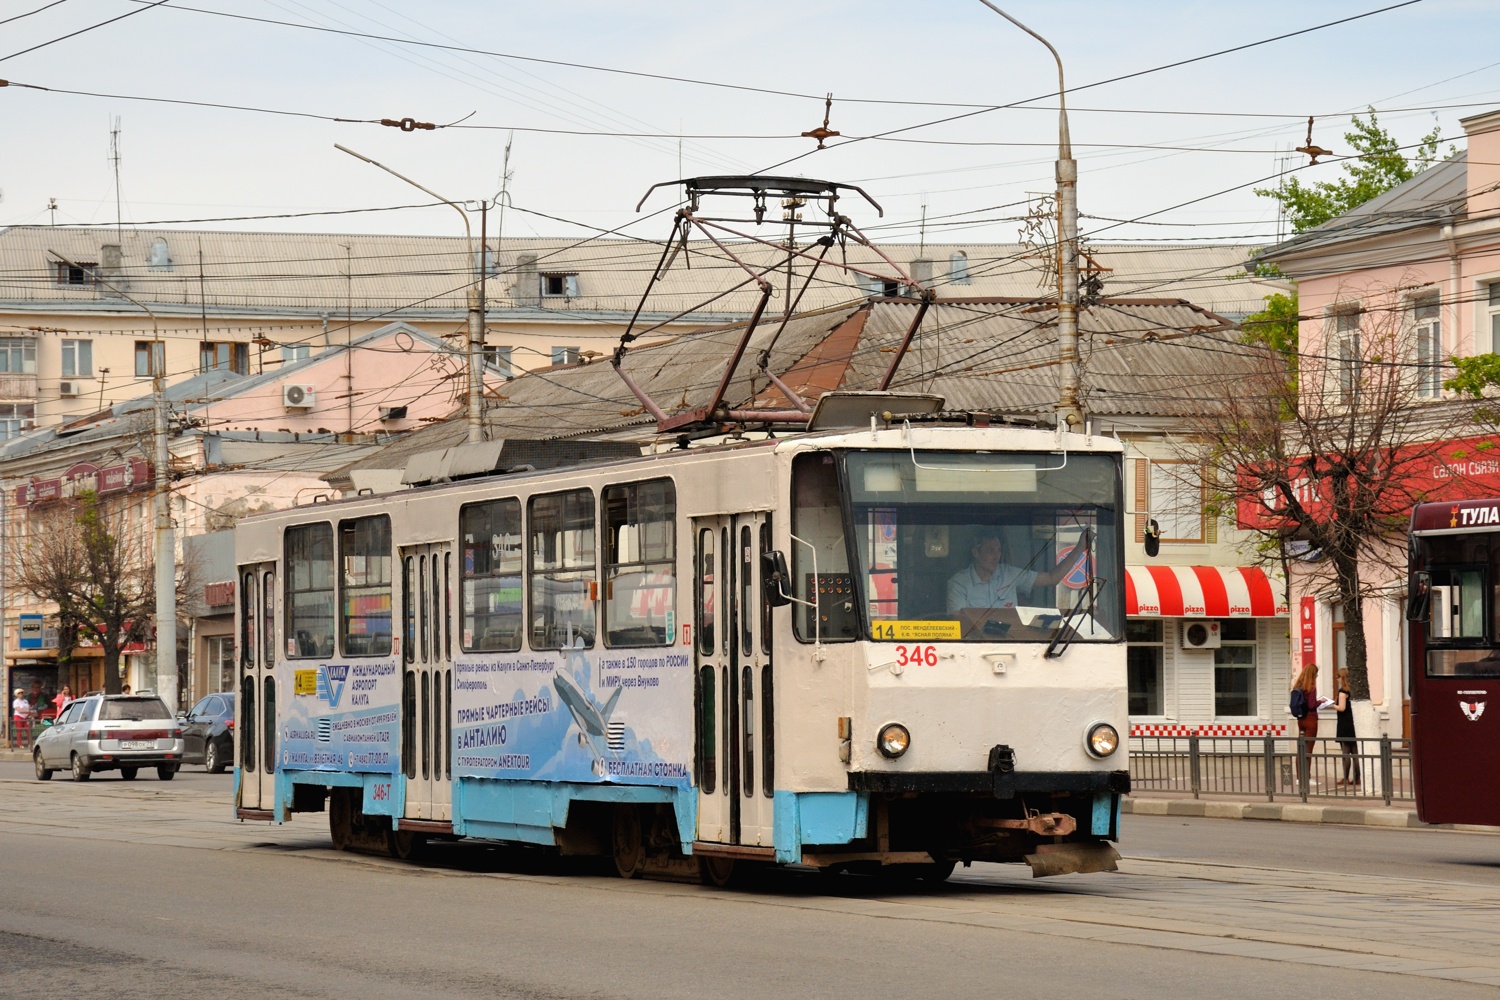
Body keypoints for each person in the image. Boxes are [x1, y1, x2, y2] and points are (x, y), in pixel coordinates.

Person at [947, 532, 1067, 625]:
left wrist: (1080, 547)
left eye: (999, 550)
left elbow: (1052, 578)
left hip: (1011, 643)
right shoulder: (959, 583)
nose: (996, 556)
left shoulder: (1008, 573)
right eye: (990, 550)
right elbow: (959, 623)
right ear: (976, 552)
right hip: (975, 646)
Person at [1290, 663, 1321, 786]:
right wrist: (1321, 702)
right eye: (1316, 674)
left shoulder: (1299, 685)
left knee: (1300, 748)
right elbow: (1312, 705)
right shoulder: (1311, 687)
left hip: (1300, 719)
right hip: (1311, 719)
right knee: (1308, 749)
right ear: (1313, 674)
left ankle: (1299, 777)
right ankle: (1306, 778)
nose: (1317, 676)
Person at [1334, 668, 1361, 788]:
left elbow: (1342, 708)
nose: (1337, 679)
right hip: (1354, 724)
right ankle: (1358, 778)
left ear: (1342, 678)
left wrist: (1331, 705)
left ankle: (1345, 778)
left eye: (1338, 677)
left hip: (1344, 724)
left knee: (1346, 753)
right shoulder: (1353, 691)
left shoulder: (1342, 692)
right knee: (1355, 753)